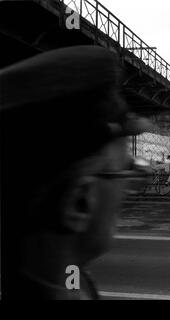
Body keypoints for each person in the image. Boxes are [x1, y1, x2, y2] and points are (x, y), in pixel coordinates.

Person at [0, 46, 151, 299]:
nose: (126, 192)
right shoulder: (74, 285)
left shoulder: (73, 282)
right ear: (80, 202)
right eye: (126, 172)